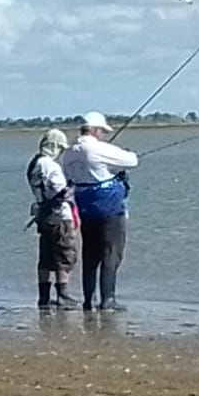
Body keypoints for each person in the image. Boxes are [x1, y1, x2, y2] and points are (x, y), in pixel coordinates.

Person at [60, 111, 139, 311]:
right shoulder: (97, 149)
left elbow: (70, 177)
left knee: (90, 254)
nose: (103, 135)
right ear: (95, 130)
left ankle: (89, 299)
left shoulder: (68, 153)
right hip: (109, 208)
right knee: (111, 253)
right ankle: (108, 299)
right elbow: (132, 160)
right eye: (102, 131)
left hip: (85, 208)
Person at [27, 129, 79, 310]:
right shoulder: (50, 165)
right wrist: (72, 186)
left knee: (46, 257)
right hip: (59, 217)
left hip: (43, 216)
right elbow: (60, 192)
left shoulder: (34, 163)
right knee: (64, 255)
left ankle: (43, 298)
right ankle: (63, 296)